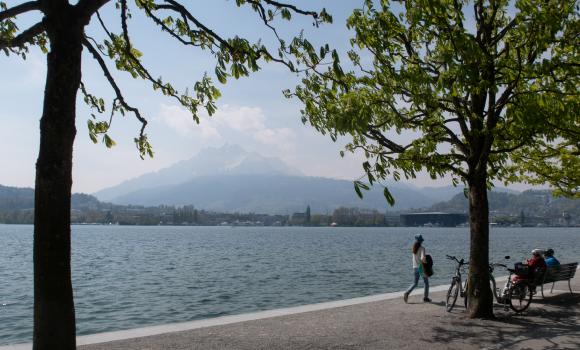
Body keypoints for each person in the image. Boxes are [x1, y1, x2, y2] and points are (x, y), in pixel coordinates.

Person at [403, 234, 430, 303]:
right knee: (426, 282)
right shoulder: (422, 248)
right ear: (421, 241)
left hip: (415, 267)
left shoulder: (414, 248)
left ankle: (407, 292)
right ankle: (425, 298)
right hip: (421, 267)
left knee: (415, 283)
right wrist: (426, 262)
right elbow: (422, 258)